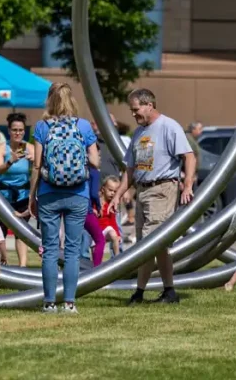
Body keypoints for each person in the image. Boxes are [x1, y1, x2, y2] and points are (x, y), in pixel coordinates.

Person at [110, 88, 194, 306]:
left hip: (162, 189)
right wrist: (118, 195)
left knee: (148, 244)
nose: (133, 114)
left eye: (136, 109)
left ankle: (139, 293)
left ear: (149, 105)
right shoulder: (139, 132)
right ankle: (169, 292)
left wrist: (187, 186)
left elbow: (189, 156)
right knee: (157, 245)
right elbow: (130, 169)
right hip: (143, 191)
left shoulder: (169, 126)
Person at [31, 82, 100, 314]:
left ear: (49, 99)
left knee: (50, 250)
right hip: (78, 193)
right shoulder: (83, 126)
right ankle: (70, 303)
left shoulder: (42, 126)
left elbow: (37, 165)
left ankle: (49, 302)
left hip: (49, 192)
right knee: (72, 251)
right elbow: (96, 161)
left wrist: (32, 196)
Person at [0, 112, 33, 267]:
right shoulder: (2, 149)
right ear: (9, 131)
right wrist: (10, 161)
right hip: (3, 196)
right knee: (0, 231)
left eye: (21, 130)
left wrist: (35, 161)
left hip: (22, 196)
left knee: (21, 231)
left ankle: (22, 266)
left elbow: (41, 167)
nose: (18, 133)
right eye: (15, 130)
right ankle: (0, 264)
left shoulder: (29, 148)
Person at [98, 176, 123, 258]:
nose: (112, 193)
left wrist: (118, 234)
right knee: (97, 250)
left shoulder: (111, 205)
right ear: (103, 189)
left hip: (106, 229)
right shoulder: (97, 201)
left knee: (114, 236)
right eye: (110, 190)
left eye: (115, 191)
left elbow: (113, 221)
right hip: (96, 230)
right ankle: (97, 263)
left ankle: (117, 258)